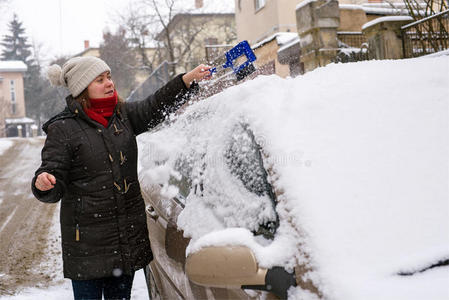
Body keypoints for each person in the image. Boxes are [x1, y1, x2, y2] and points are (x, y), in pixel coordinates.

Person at [31, 56, 211, 300]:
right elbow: (52, 170)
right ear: (83, 89)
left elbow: (154, 105)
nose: (109, 83)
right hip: (87, 247)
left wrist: (186, 80)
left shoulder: (122, 115)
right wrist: (44, 181)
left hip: (124, 242)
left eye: (109, 77)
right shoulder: (63, 129)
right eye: (100, 80)